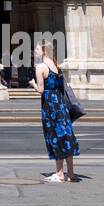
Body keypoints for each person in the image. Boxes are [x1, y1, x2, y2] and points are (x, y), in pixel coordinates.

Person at [33, 39, 79, 183]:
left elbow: (41, 90)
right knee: (66, 136)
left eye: (37, 49)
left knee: (54, 136)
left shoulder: (40, 67)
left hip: (49, 106)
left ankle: (59, 174)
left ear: (43, 51)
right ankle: (70, 173)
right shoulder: (56, 65)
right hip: (60, 105)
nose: (35, 51)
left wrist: (33, 84)